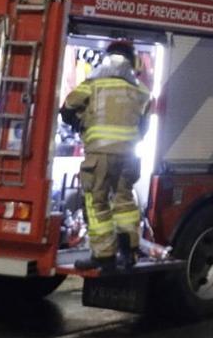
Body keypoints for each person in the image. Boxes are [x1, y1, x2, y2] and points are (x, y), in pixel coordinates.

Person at [61, 39, 152, 271]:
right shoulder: (141, 92)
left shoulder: (93, 84)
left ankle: (103, 256)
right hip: (129, 156)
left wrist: (81, 123)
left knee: (96, 202)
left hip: (99, 156)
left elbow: (67, 107)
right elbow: (143, 128)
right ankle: (129, 252)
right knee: (125, 202)